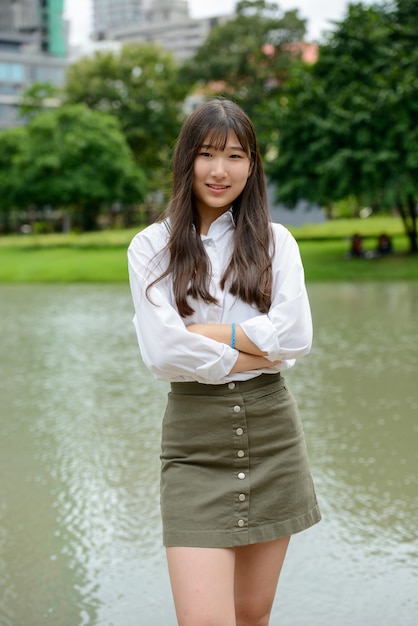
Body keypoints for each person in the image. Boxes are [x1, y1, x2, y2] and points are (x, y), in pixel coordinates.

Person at [128, 98, 321, 626]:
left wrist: (208, 334)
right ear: (186, 160)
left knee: (252, 616)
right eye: (208, 154)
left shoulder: (276, 242)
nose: (220, 170)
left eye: (235, 155)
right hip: (194, 446)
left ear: (252, 165)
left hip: (274, 437)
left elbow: (298, 336)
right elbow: (164, 353)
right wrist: (261, 349)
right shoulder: (151, 247)